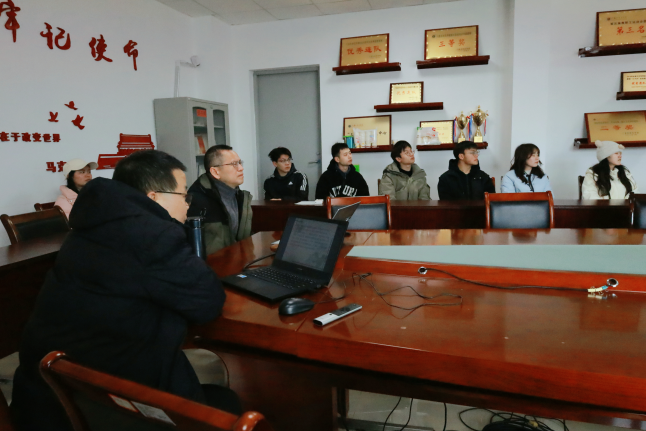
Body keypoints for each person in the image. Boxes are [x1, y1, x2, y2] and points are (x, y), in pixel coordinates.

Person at [11, 150, 239, 431]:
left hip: (49, 393)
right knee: (227, 405)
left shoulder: (89, 227)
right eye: (183, 195)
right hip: (106, 405)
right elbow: (207, 302)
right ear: (154, 197)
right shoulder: (152, 234)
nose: (187, 204)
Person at [188, 145, 252, 254]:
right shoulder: (197, 200)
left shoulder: (241, 197)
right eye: (234, 164)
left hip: (237, 260)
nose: (241, 168)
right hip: (212, 263)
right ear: (215, 172)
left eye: (240, 163)